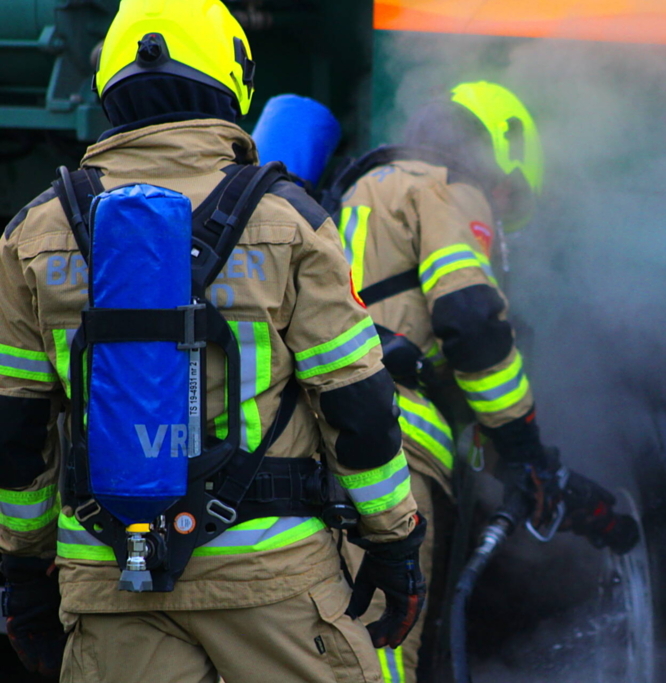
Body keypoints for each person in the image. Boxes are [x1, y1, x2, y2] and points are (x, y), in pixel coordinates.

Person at [0, 1, 424, 681]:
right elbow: (358, 403)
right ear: (232, 80)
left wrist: (22, 569)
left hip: (109, 583)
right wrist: (394, 539)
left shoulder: (34, 232)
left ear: (107, 82)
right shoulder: (287, 219)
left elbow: (17, 433)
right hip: (273, 582)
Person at [323, 82, 632, 683]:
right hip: (394, 457)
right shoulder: (443, 185)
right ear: (498, 153)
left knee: (335, 638)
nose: (493, 214)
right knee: (380, 654)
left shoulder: (357, 195)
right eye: (504, 196)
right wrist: (524, 446)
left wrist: (544, 481)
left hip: (323, 444)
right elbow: (467, 317)